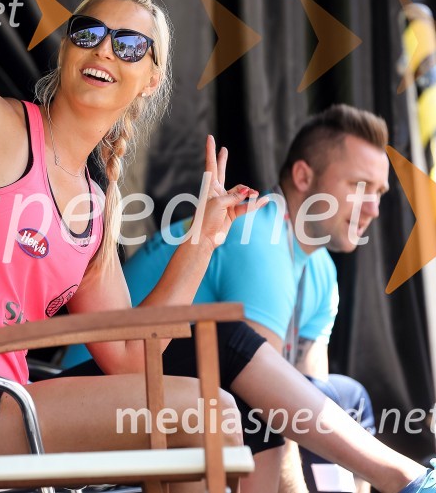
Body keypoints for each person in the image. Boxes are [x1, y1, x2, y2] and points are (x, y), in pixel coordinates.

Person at [0, 0, 436, 493]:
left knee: (205, 412)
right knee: (204, 412)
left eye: (129, 45)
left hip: (6, 410)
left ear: (151, 80)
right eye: (89, 33)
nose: (104, 50)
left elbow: (129, 359)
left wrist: (201, 242)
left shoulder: (95, 207)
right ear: (66, 50)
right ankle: (402, 480)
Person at [122, 105, 388, 491]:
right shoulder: (259, 237)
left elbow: (309, 396)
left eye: (379, 193)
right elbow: (270, 402)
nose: (373, 208)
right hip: (114, 392)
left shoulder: (322, 271)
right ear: (303, 176)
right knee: (264, 402)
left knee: (346, 398)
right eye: (360, 186)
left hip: (187, 395)